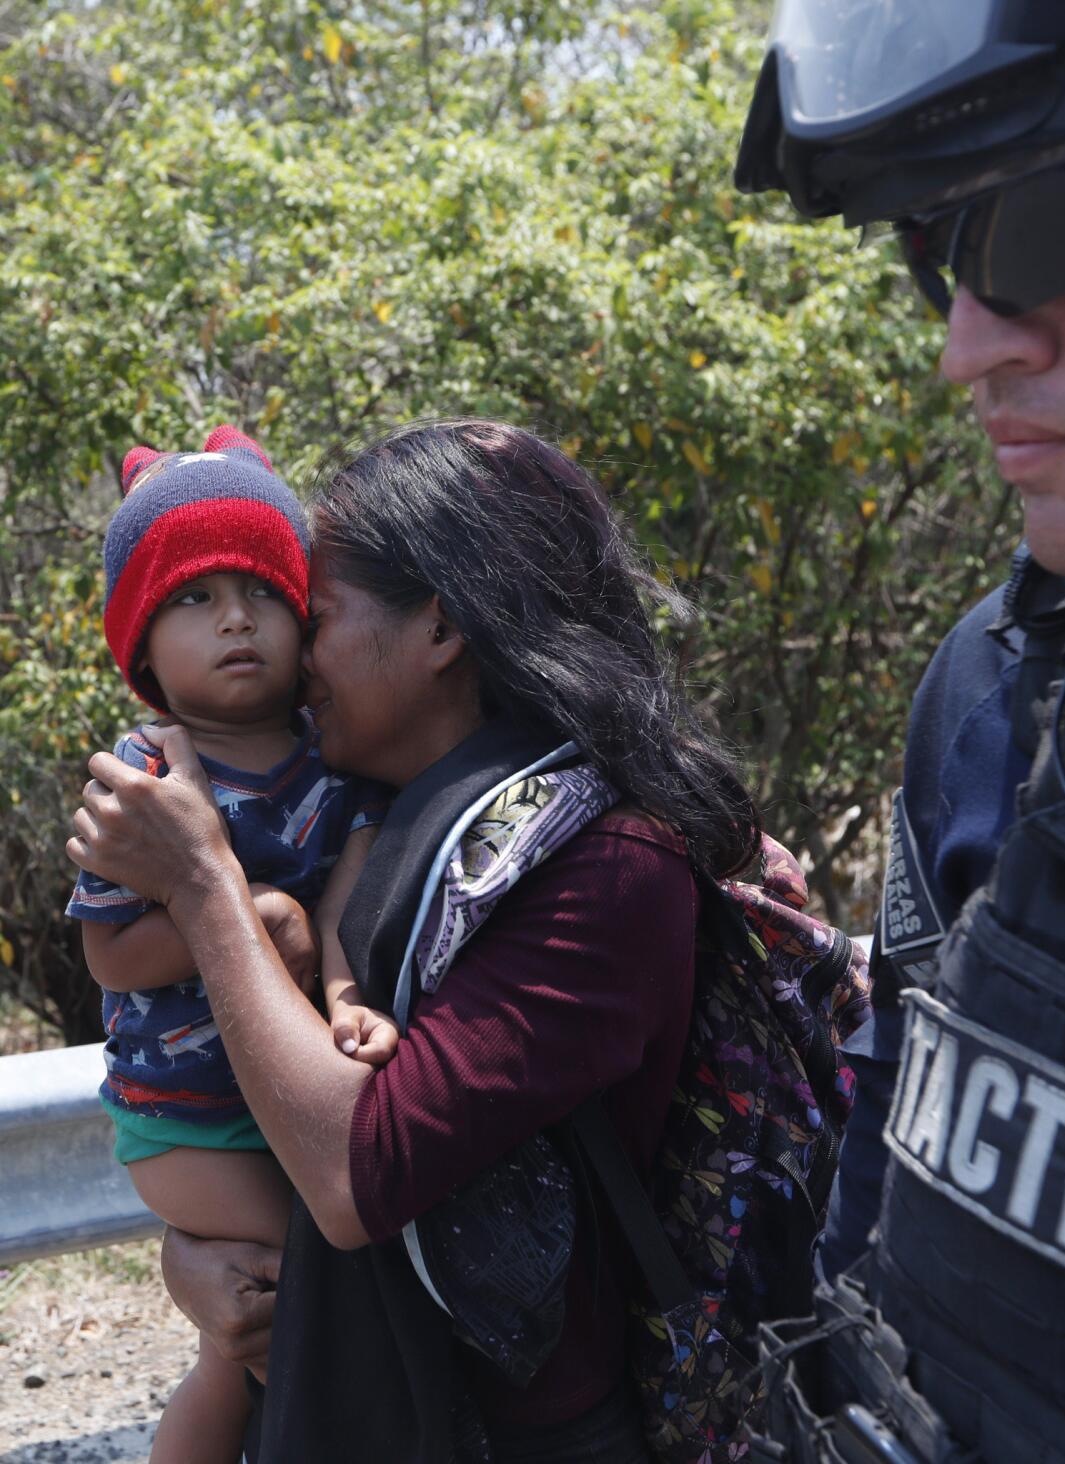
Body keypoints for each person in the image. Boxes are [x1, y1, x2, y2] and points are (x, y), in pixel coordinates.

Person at [66, 418, 767, 1463]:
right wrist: (203, 1255)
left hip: (513, 1433)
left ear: (438, 629)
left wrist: (206, 883)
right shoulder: (405, 816)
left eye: (314, 612)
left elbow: (356, 1173)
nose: (293, 656)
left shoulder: (604, 864)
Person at [736, 3, 1065, 1461]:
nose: (965, 346)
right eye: (934, 250)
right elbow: (895, 1154)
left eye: (1049, 227)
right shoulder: (1007, 681)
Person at [66, 426, 392, 1464]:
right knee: (288, 1321)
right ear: (140, 649)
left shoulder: (332, 755)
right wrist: (249, 924)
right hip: (188, 1121)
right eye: (192, 601)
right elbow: (111, 959)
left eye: (259, 593)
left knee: (257, 1342)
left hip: (286, 1102)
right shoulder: (145, 775)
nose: (235, 620)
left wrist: (343, 995)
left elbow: (344, 900)